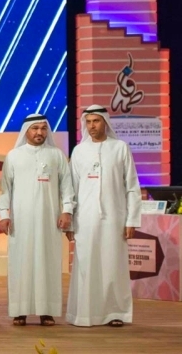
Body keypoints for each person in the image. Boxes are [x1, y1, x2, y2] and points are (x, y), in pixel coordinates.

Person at [66, 104, 141, 327]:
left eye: (96, 121)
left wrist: (132, 220)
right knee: (86, 266)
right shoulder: (79, 151)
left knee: (113, 265)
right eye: (88, 122)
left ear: (105, 122)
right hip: (85, 219)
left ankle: (115, 313)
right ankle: (85, 314)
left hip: (114, 217)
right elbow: (71, 188)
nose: (92, 126)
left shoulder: (120, 148)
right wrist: (69, 221)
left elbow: (132, 187)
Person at [0, 114, 74, 327]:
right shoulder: (14, 156)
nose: (39, 132)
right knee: (20, 263)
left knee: (48, 263)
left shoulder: (57, 155)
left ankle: (46, 311)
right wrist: (4, 214)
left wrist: (67, 211)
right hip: (20, 222)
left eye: (43, 128)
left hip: (49, 221)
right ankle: (19, 311)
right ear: (26, 131)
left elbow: (67, 187)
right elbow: (5, 189)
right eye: (35, 128)